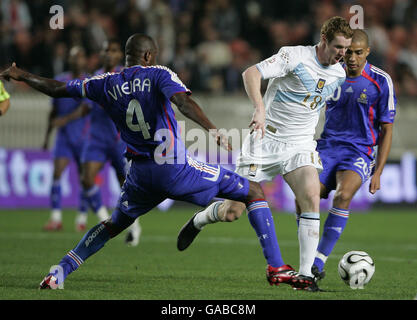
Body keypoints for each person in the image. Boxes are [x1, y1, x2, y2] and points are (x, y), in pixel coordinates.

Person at [1, 34, 307, 290]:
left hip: (139, 175)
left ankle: (61, 271)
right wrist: (213, 130)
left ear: (127, 56)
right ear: (148, 55)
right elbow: (183, 101)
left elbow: (57, 89)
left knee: (112, 225)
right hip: (175, 168)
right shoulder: (160, 73)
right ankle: (277, 267)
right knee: (253, 191)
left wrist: (21, 75)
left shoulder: (104, 82)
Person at [177, 16, 353, 291]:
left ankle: (305, 276)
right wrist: (259, 108)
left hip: (300, 145)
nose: (342, 54)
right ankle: (201, 218)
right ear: (324, 41)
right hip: (264, 141)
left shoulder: (339, 73)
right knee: (233, 210)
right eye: (338, 47)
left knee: (310, 196)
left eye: (346, 49)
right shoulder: (294, 56)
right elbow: (251, 73)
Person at [308, 29, 397, 280]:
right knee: (306, 198)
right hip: (326, 147)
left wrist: (378, 171)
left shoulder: (381, 81)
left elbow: (387, 129)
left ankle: (317, 262)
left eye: (359, 52)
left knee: (344, 195)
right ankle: (309, 256)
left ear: (368, 52)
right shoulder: (329, 72)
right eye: (348, 52)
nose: (352, 58)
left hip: (359, 151)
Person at [51, 39, 141, 245]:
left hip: (120, 140)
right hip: (96, 138)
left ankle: (134, 227)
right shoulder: (94, 77)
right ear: (101, 54)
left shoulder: (127, 77)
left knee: (128, 187)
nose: (109, 54)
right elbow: (85, 106)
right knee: (87, 178)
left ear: (121, 56)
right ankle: (104, 220)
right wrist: (70, 117)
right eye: (106, 50)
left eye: (114, 51)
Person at [42, 46, 97, 231]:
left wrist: (63, 120)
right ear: (69, 60)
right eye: (73, 57)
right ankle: (56, 218)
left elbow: (85, 109)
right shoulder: (61, 80)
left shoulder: (88, 81)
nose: (76, 60)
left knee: (85, 178)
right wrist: (46, 137)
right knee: (57, 174)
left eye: (80, 56)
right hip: (64, 137)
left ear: (84, 60)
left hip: (83, 136)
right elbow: (54, 110)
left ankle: (81, 219)